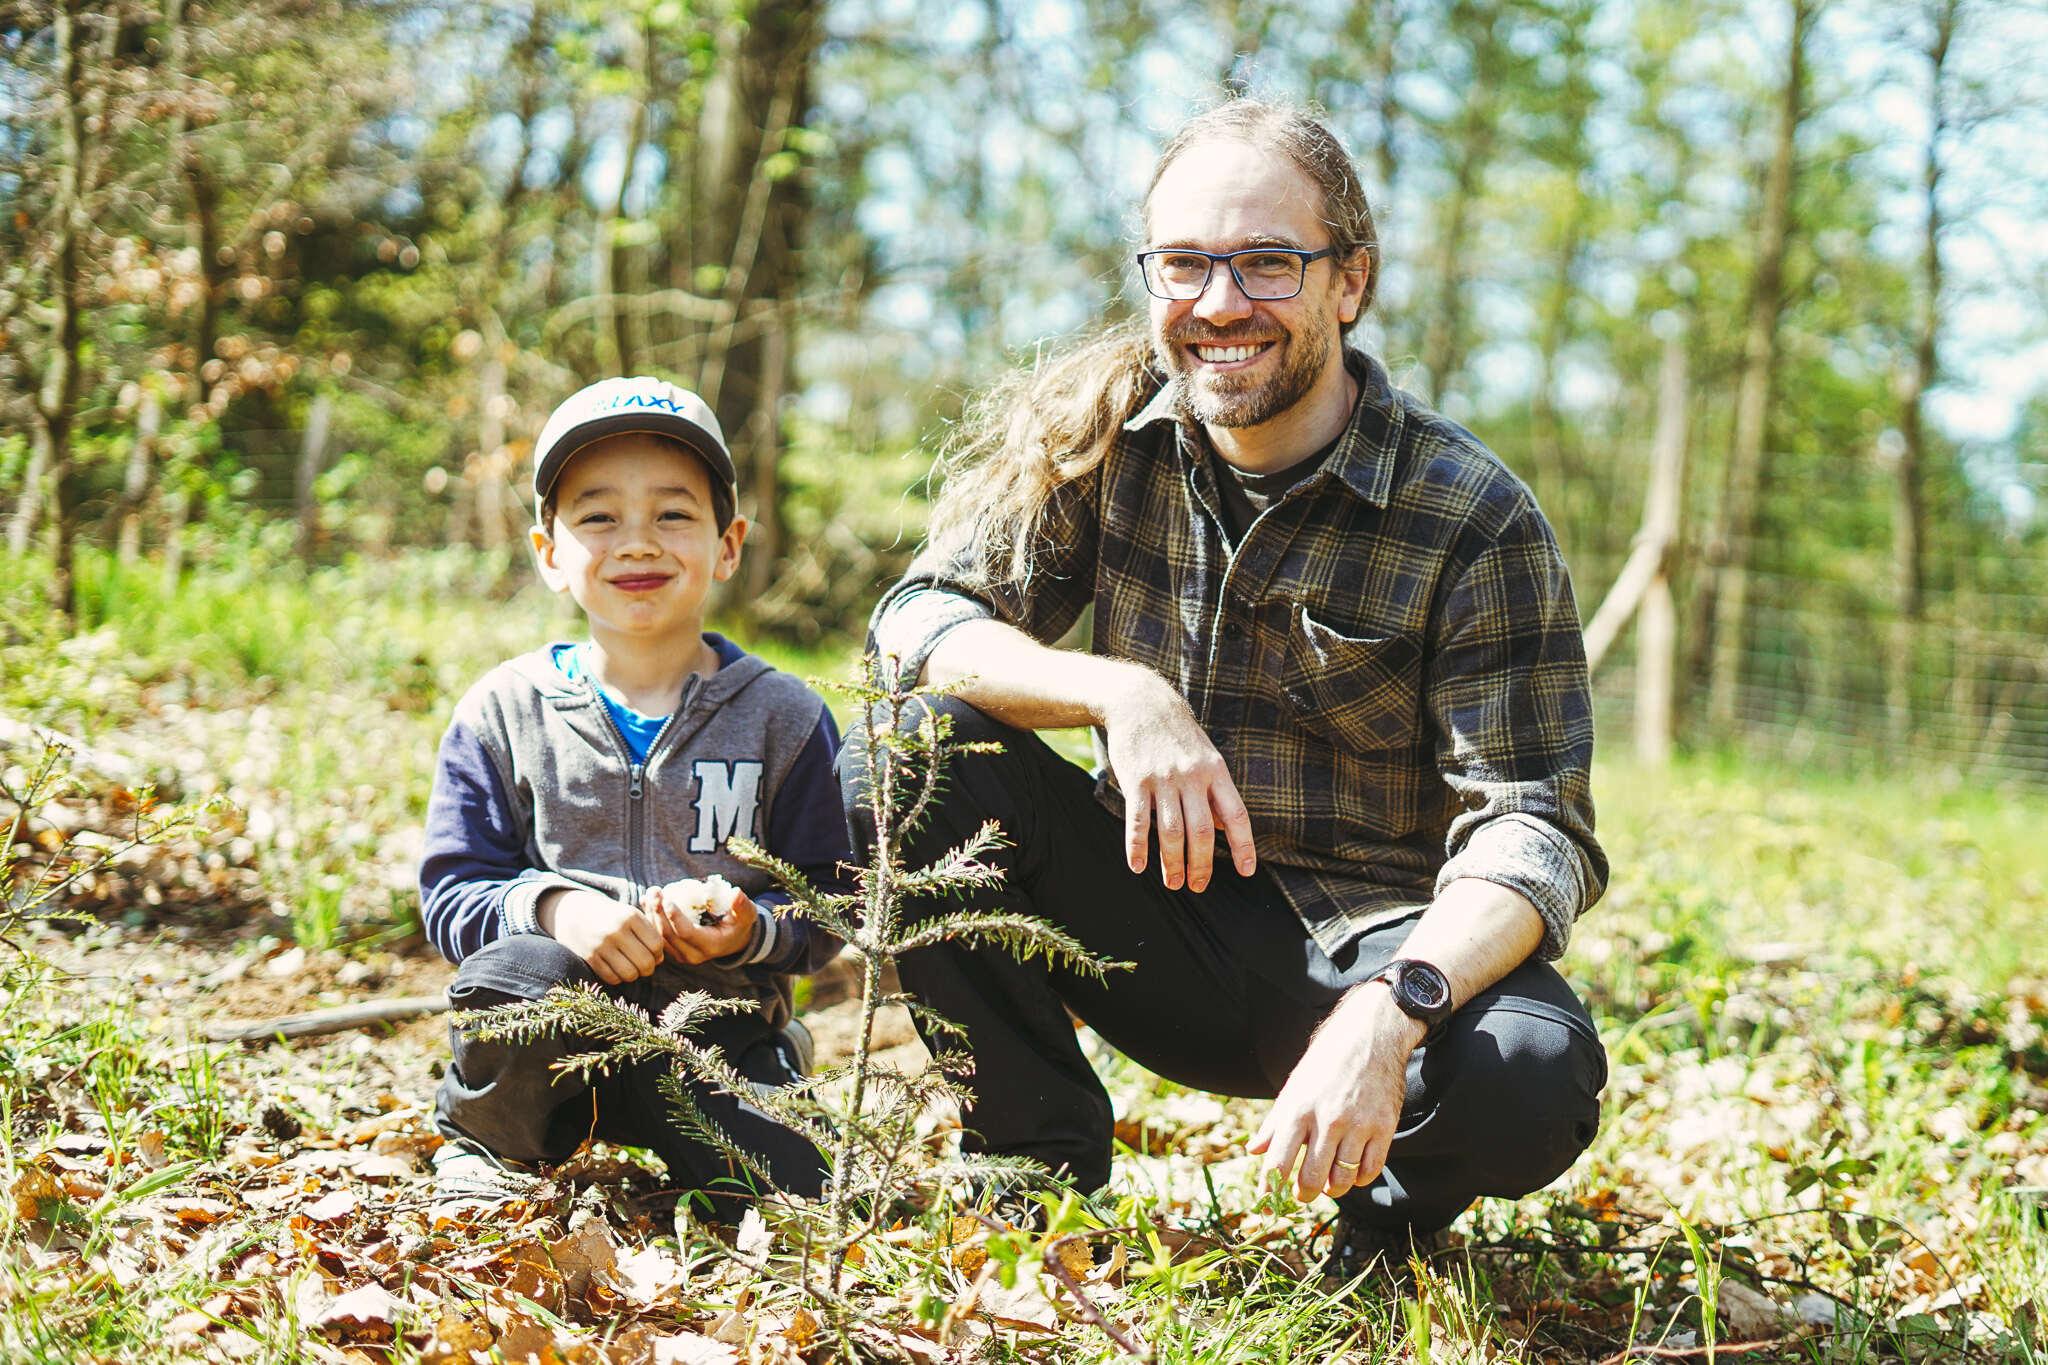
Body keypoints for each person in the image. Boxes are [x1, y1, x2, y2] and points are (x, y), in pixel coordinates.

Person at [853, 99, 1608, 1280]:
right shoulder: (1101, 442)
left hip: (1363, 959)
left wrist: (1394, 1007)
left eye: (1266, 263)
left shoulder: (1472, 515)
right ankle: (1030, 1172)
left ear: (1346, 284)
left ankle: (1385, 1232)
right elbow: (915, 626)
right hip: (1137, 915)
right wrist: (1117, 692)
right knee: (909, 748)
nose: (1217, 303)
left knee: (1530, 1068)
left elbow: (1533, 826)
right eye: (1184, 263)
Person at [419, 377, 851, 1218]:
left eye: (673, 515)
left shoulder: (786, 718)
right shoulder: (503, 712)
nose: (637, 543)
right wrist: (553, 908)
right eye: (599, 516)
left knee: (796, 1192)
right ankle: (493, 1142)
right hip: (555, 1021)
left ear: (728, 545)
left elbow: (831, 896)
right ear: (550, 552)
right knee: (518, 975)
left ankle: (770, 1066)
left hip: (714, 1030)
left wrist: (751, 926)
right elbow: (450, 891)